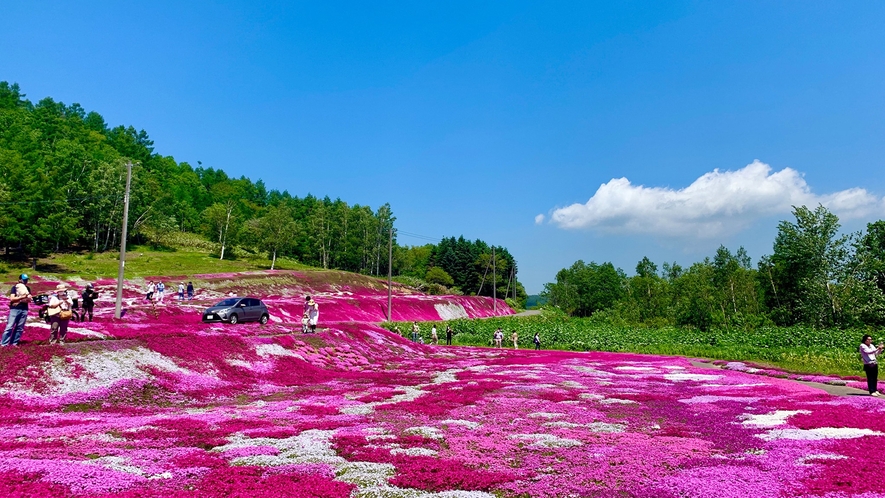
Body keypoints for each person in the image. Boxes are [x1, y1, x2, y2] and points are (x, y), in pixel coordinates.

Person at [2, 274, 32, 347]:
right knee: (9, 326)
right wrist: (23, 297)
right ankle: (3, 344)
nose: (26, 281)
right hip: (14, 309)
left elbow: (29, 300)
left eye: (27, 279)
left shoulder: (27, 288)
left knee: (20, 328)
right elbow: (12, 298)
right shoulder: (15, 287)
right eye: (24, 279)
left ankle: (14, 344)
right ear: (20, 279)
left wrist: (19, 300)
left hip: (24, 309)